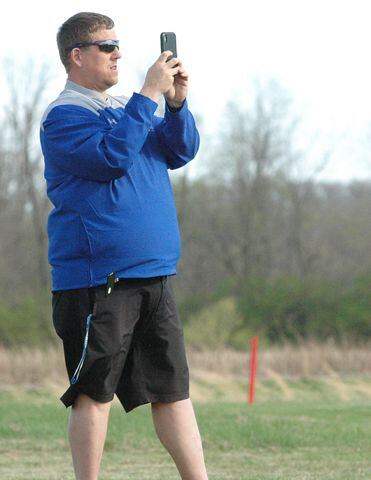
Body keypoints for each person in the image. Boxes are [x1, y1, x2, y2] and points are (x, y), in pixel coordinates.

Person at [40, 11, 208, 480]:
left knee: (172, 391)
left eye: (118, 45)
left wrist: (174, 106)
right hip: (100, 281)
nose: (119, 54)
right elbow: (112, 157)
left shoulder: (124, 110)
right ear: (77, 56)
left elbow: (179, 151)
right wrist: (149, 95)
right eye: (106, 46)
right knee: (94, 393)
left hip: (153, 273)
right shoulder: (64, 117)